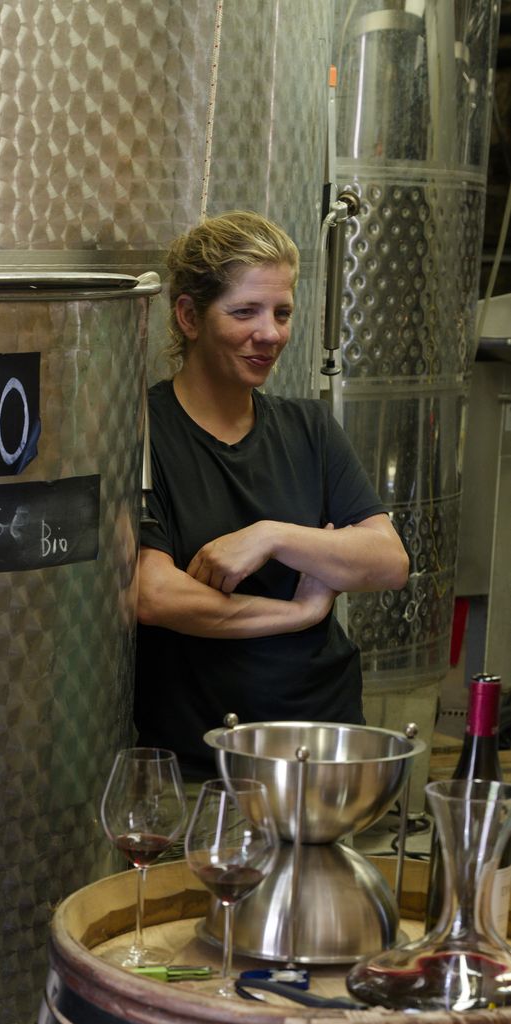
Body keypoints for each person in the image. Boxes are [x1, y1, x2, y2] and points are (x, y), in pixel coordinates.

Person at [135, 210, 409, 779]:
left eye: (282, 312)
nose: (271, 334)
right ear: (188, 316)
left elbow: (388, 561)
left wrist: (272, 537)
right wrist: (298, 612)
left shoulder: (309, 428)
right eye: (245, 312)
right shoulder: (142, 431)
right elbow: (154, 594)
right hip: (202, 753)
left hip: (323, 735)